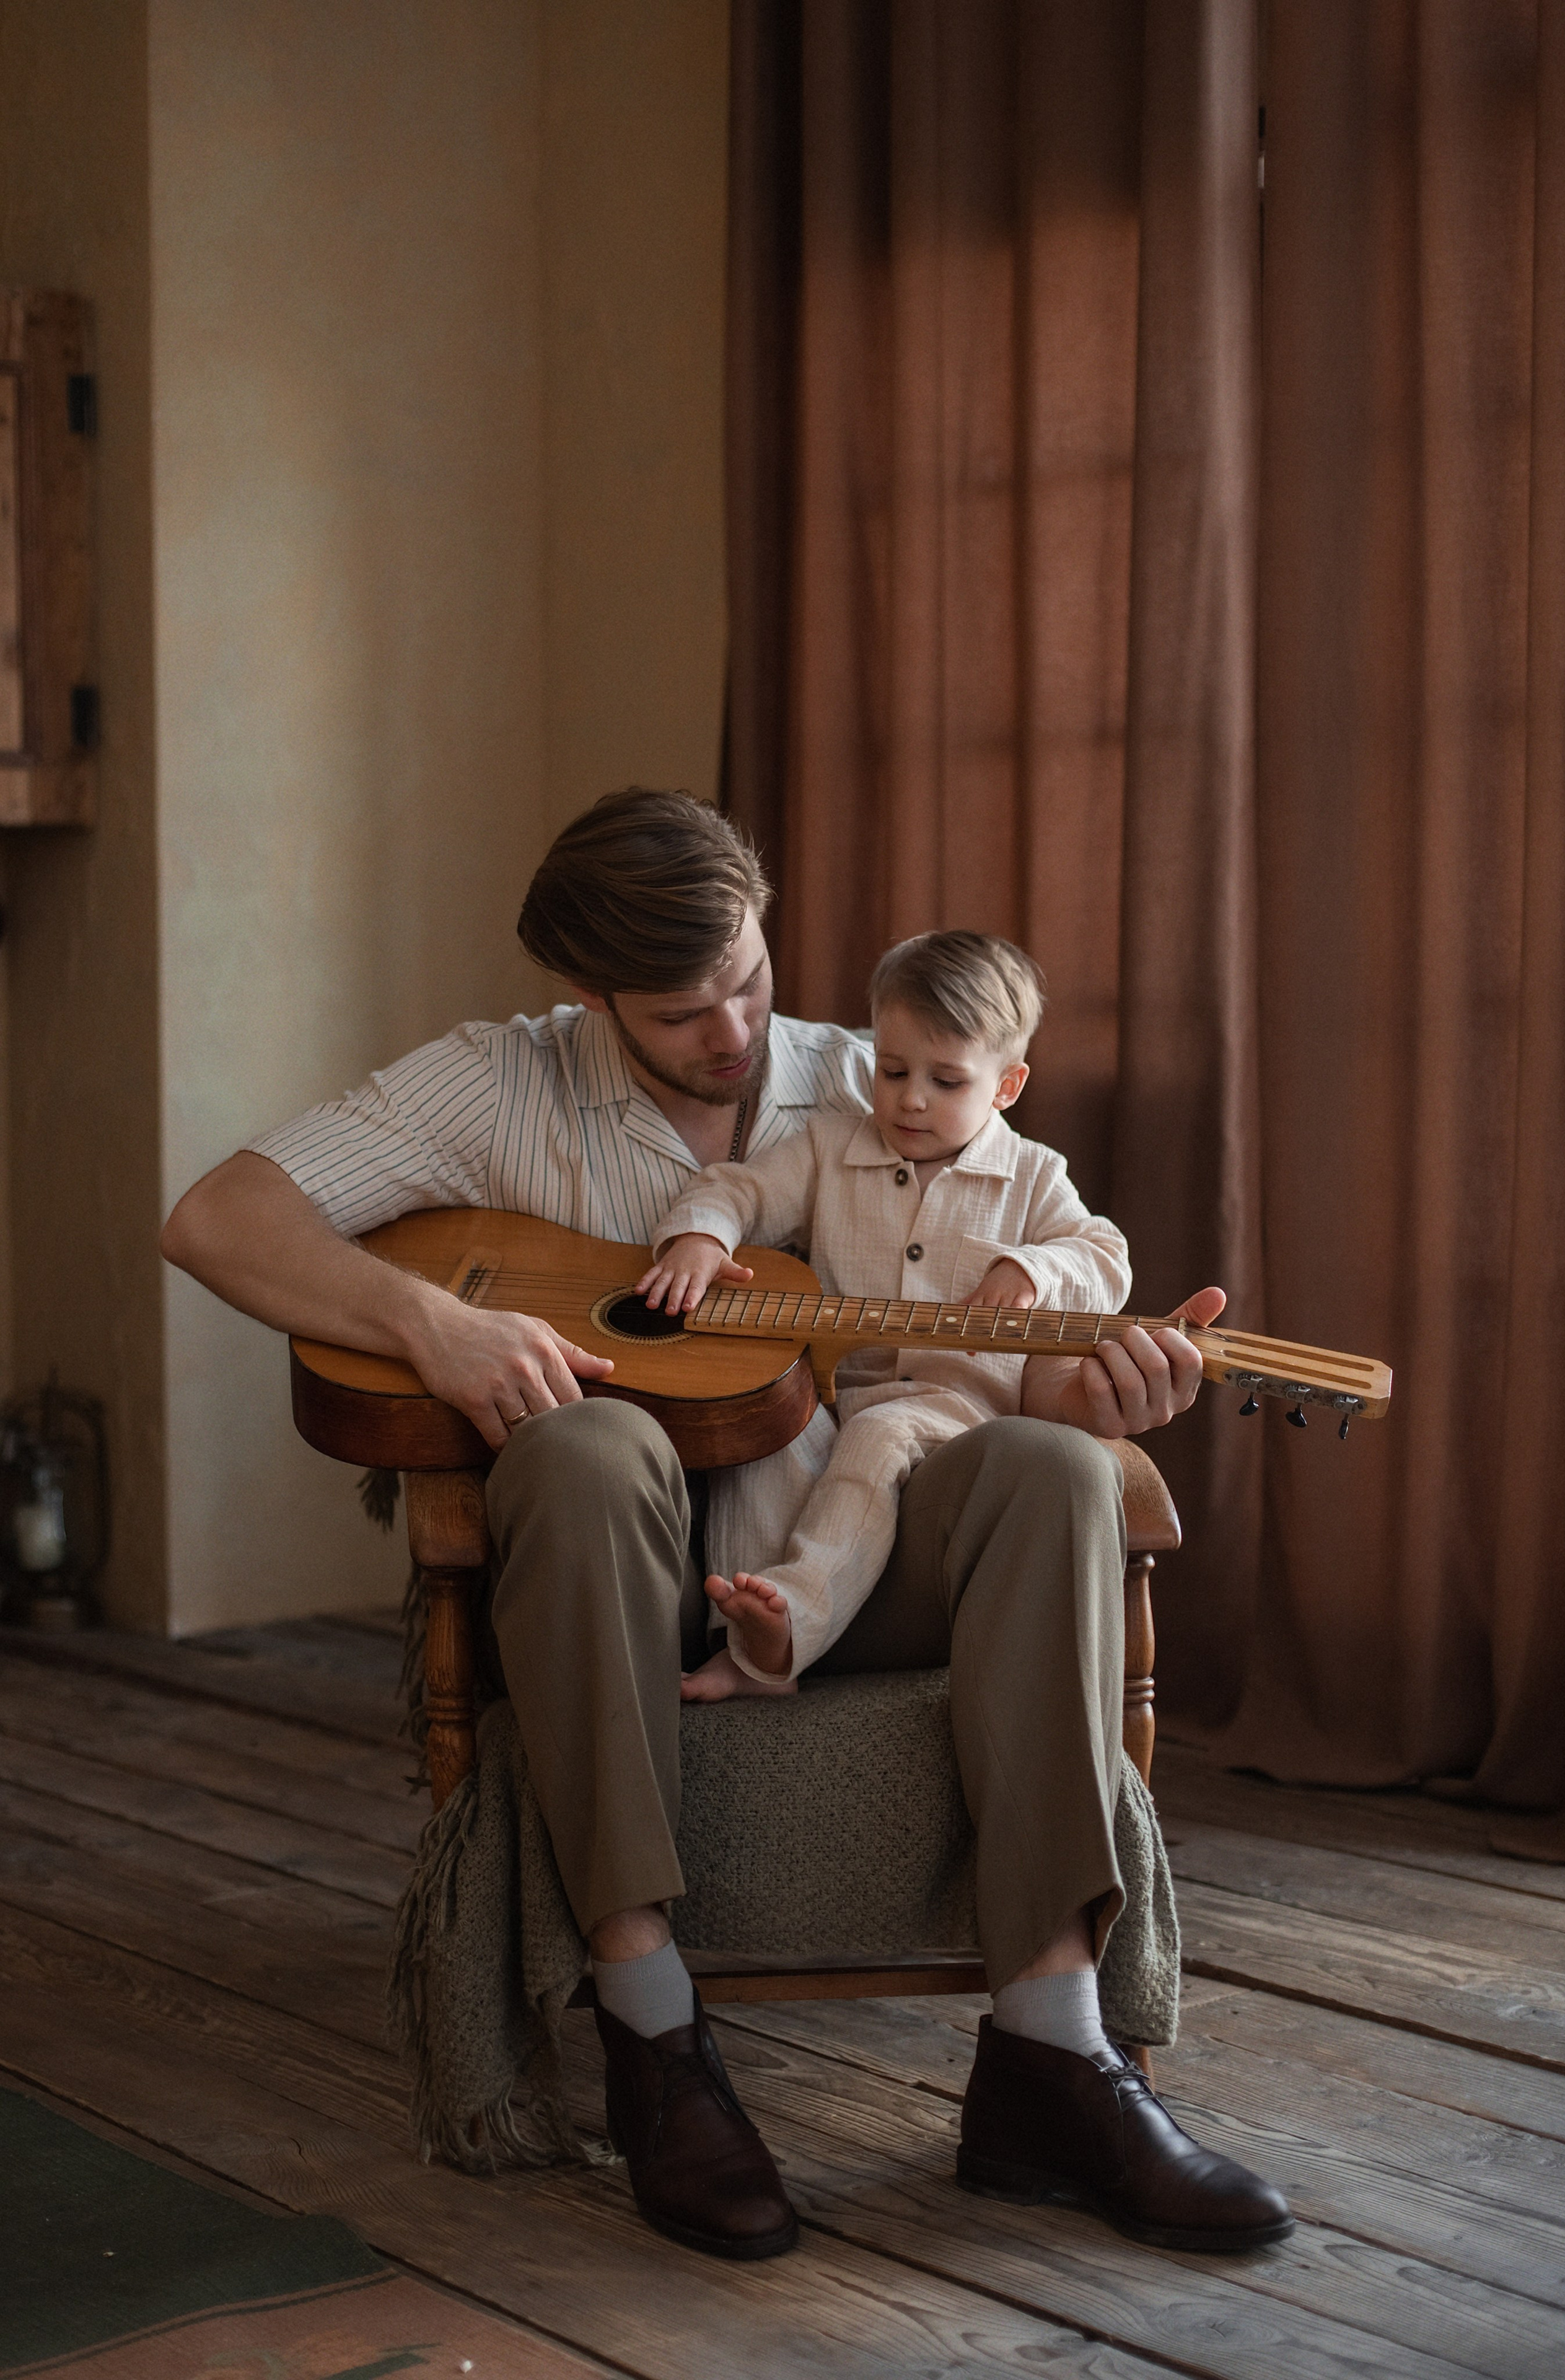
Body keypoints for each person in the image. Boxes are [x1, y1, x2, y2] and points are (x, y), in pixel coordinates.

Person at [161, 786, 1291, 2262]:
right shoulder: (492, 1087)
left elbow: (987, 1359)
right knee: (580, 1444)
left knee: (1052, 1474)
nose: (737, 1030)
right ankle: (651, 2030)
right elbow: (217, 1216)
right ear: (587, 995)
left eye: (749, 978)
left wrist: (1095, 1392)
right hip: (615, 1588)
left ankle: (1049, 2055)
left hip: (853, 1549)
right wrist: (430, 1325)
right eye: (687, 1010)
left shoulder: (875, 1075)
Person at [641, 929, 1130, 1703]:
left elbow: (1104, 1254)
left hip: (954, 1417)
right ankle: (749, 1627)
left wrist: (1033, 1267)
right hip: (834, 1398)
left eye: (945, 1080)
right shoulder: (830, 1146)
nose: (909, 1098)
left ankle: (785, 1631)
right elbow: (738, 1188)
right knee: (767, 1429)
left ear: (1006, 1086)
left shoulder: (1033, 1175)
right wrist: (702, 1235)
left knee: (884, 1430)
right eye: (893, 1070)